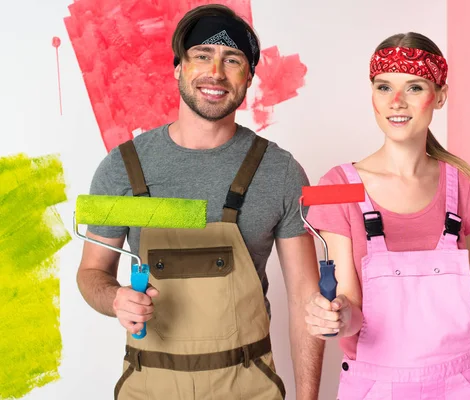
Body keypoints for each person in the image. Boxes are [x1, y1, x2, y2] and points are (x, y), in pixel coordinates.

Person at [76, 4, 324, 399]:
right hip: (149, 388)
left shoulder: (279, 171)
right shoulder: (122, 168)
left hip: (248, 387)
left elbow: (304, 299)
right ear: (178, 67)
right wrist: (115, 298)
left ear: (249, 77)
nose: (216, 73)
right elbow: (91, 273)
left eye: (233, 60)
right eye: (202, 56)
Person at [304, 32, 470, 400]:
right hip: (376, 388)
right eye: (383, 86)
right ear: (372, 94)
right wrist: (339, 316)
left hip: (462, 384)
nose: (396, 102)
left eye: (414, 87)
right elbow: (350, 303)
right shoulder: (335, 186)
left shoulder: (461, 184)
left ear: (439, 96)